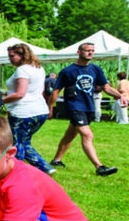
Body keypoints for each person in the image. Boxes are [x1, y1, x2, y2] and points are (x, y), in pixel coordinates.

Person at [48, 42, 123, 176]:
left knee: (71, 134)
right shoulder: (68, 71)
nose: (90, 53)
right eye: (87, 50)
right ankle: (99, 167)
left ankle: (56, 160)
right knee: (87, 134)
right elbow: (56, 91)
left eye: (92, 50)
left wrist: (120, 96)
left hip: (89, 107)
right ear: (79, 52)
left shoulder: (95, 69)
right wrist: (50, 109)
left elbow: (106, 87)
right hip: (74, 106)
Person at [2, 43, 55, 176]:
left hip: (23, 112)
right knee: (25, 142)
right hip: (40, 111)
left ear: (22, 55)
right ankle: (46, 168)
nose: (10, 59)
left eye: (12, 56)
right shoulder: (39, 68)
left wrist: (0, 101)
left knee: (16, 144)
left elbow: (20, 93)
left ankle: (16, 173)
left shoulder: (22, 70)